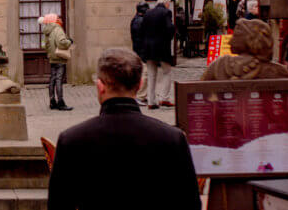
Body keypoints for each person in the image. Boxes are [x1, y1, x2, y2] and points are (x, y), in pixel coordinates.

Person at [47, 48, 200, 210]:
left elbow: (58, 205)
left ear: (100, 86)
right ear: (140, 84)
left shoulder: (72, 140)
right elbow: (190, 204)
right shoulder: (172, 139)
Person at [141, 0, 175, 109]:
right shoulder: (166, 12)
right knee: (167, 71)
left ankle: (151, 101)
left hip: (148, 48)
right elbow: (169, 28)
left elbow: (142, 30)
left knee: (151, 74)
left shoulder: (148, 13)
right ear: (166, 3)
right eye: (168, 4)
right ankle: (164, 98)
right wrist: (169, 37)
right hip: (161, 47)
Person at [40, 14, 72, 111]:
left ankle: (52, 101)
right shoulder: (58, 29)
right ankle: (60, 102)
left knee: (52, 80)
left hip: (52, 58)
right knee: (59, 80)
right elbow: (61, 43)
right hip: (59, 58)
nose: (61, 21)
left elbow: (44, 45)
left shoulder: (47, 31)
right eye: (60, 19)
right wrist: (69, 42)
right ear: (56, 21)